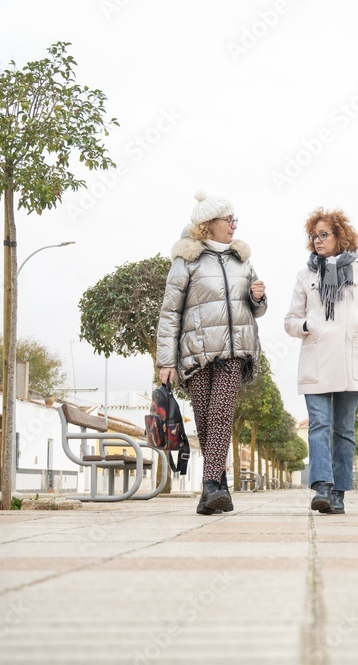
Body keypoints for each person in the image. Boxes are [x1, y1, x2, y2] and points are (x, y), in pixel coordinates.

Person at [157, 191, 267, 515]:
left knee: (221, 413)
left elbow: (255, 309)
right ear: (209, 225)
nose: (234, 226)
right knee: (205, 420)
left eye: (235, 220)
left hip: (234, 350)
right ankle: (219, 490)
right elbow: (169, 312)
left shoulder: (242, 260)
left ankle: (208, 487)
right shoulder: (186, 261)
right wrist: (165, 361)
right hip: (197, 353)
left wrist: (258, 298)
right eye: (228, 220)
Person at [284, 207, 358, 515]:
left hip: (349, 357)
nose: (317, 240)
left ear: (339, 235)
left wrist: (357, 319)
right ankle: (323, 489)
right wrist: (306, 326)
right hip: (315, 358)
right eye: (313, 235)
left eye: (323, 234)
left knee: (344, 429)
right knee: (319, 425)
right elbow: (290, 320)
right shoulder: (305, 275)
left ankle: (339, 492)